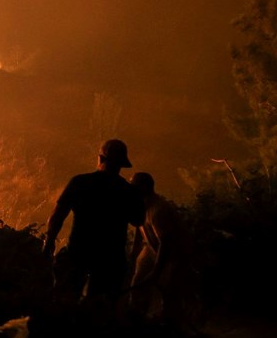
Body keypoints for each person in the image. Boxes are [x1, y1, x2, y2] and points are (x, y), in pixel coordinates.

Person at [42, 139, 146, 314]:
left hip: (79, 251)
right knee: (100, 310)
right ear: (122, 164)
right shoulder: (128, 191)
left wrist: (49, 240)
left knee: (66, 304)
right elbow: (138, 220)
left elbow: (58, 215)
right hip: (111, 258)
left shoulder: (80, 182)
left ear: (100, 158)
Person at [127, 171, 201, 328]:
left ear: (143, 188)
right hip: (151, 248)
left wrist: (156, 272)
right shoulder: (142, 206)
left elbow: (165, 242)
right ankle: (137, 316)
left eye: (133, 187)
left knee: (169, 289)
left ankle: (174, 324)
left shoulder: (158, 209)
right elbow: (140, 230)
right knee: (138, 282)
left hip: (174, 253)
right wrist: (134, 255)